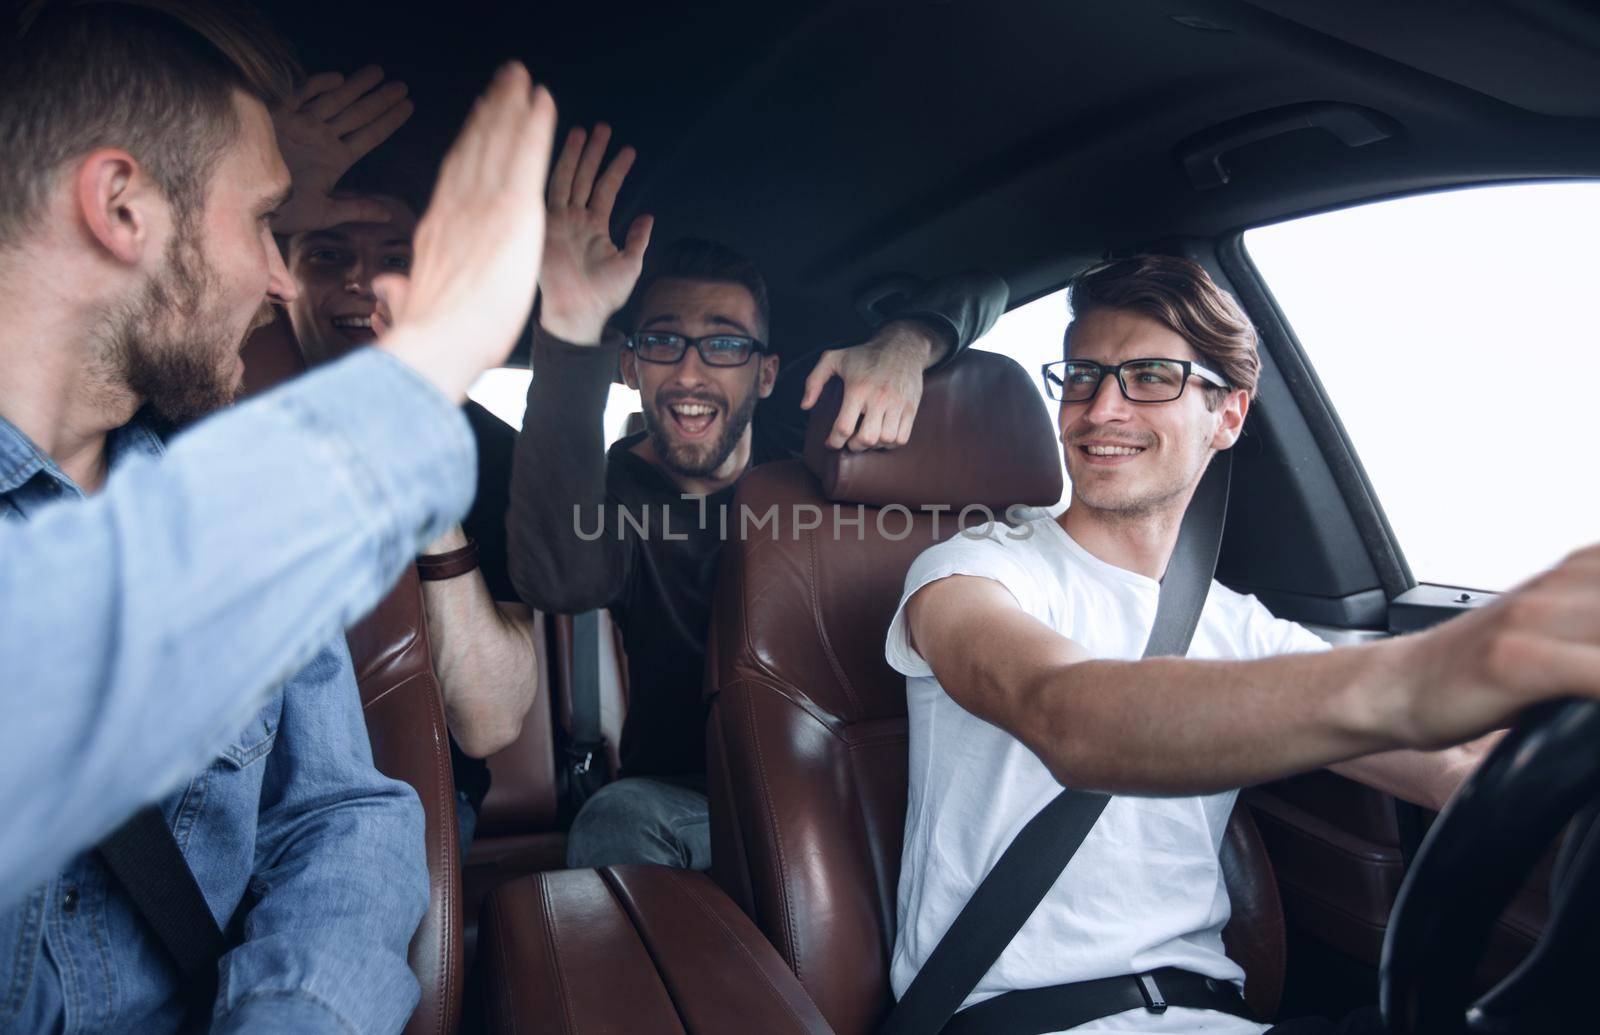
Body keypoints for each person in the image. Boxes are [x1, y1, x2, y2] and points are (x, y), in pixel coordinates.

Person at [0, 3, 559, 1030]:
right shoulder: (244, 493)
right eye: (271, 224)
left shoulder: (202, 476)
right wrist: (417, 375)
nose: (274, 273)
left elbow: (345, 816)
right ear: (121, 205)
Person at [886, 254, 1599, 1034]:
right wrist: (1430, 673)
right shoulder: (970, 571)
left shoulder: (1237, 625)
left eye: (1151, 376)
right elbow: (1068, 717)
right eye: (1084, 375)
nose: (1100, 410)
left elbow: (1463, 768)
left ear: (1227, 416)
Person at [506, 124, 1009, 870]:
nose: (690, 371)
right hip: (694, 799)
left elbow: (987, 285)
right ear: (629, 366)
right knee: (617, 819)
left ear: (766, 374)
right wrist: (570, 330)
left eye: (726, 344)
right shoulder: (613, 492)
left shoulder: (814, 448)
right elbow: (559, 579)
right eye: (663, 342)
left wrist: (906, 346)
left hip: (856, 780)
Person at [281, 169, 541, 853]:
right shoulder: (213, 410)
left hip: (408, 799)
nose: (365, 284)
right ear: (280, 276)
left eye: (396, 260)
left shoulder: (494, 452)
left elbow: (488, 721)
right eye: (330, 255)